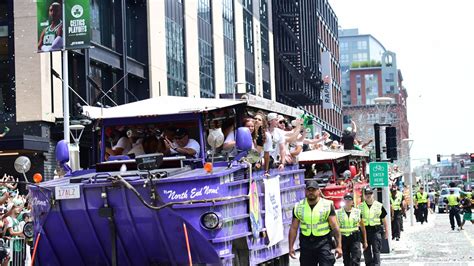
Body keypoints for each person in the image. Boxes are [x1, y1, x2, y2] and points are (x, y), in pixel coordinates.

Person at [289, 180, 342, 265]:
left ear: (318, 191)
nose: (311, 192)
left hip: (323, 242)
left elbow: (335, 227)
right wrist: (291, 247)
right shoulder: (298, 206)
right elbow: (293, 228)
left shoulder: (327, 205)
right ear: (305, 191)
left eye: (313, 190)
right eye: (308, 190)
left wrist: (339, 246)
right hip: (306, 243)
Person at [359, 187, 389, 266]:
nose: (368, 195)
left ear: (373, 195)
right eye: (367, 194)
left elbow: (384, 219)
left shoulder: (379, 205)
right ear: (364, 195)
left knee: (376, 250)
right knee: (366, 250)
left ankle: (376, 264)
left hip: (376, 231)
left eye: (370, 193)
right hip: (365, 231)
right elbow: (358, 220)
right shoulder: (360, 207)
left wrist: (386, 231)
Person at [336, 193, 368, 266]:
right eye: (346, 199)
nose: (347, 201)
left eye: (349, 199)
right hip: (343, 238)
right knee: (346, 260)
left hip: (355, 238)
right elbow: (336, 229)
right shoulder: (338, 212)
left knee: (356, 259)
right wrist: (338, 244)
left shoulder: (357, 212)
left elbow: (363, 227)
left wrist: (365, 241)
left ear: (352, 202)